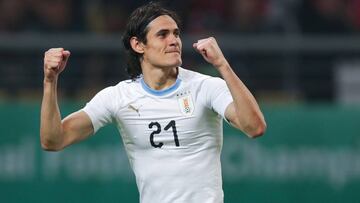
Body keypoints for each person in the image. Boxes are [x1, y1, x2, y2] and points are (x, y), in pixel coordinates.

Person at [40, 2, 266, 203]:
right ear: (138, 45)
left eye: (176, 34)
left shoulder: (205, 87)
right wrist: (50, 81)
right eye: (163, 34)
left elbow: (254, 127)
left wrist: (223, 66)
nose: (174, 41)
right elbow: (53, 140)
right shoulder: (120, 97)